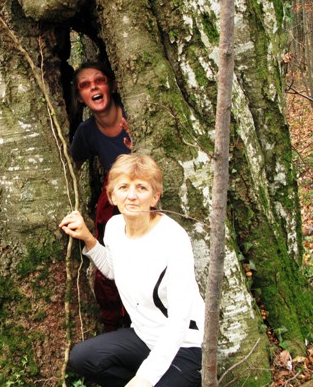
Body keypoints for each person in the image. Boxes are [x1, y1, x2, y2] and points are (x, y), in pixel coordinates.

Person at [59, 154, 204, 387]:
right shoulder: (115, 227)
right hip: (143, 337)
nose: (132, 196)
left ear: (155, 197)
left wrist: (144, 378)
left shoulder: (173, 238)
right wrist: (88, 239)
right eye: (124, 187)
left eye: (141, 188)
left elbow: (179, 320)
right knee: (83, 358)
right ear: (112, 196)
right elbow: (114, 270)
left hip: (184, 346)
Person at [70, 61, 132, 331]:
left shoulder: (133, 113)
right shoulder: (87, 132)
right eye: (85, 85)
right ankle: (119, 321)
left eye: (99, 81)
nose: (93, 87)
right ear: (80, 97)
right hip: (119, 207)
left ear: (112, 86)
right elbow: (71, 166)